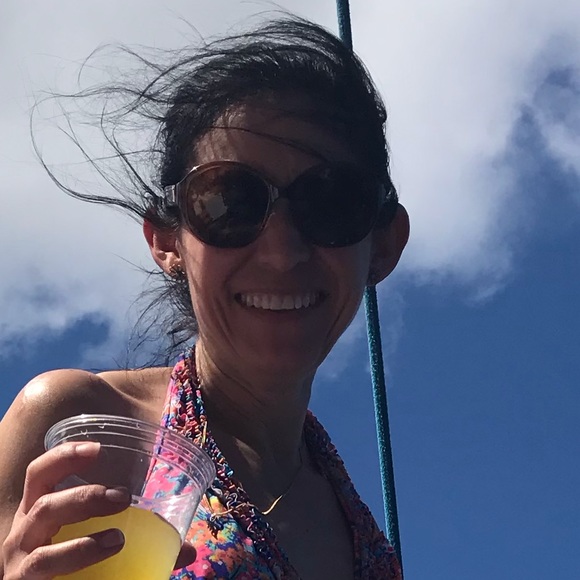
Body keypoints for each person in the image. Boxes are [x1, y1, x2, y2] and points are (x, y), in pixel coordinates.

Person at [0, 16, 409, 580]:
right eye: (227, 202)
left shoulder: (374, 552)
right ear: (166, 240)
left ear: (384, 245)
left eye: (331, 202)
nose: (281, 253)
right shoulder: (80, 423)